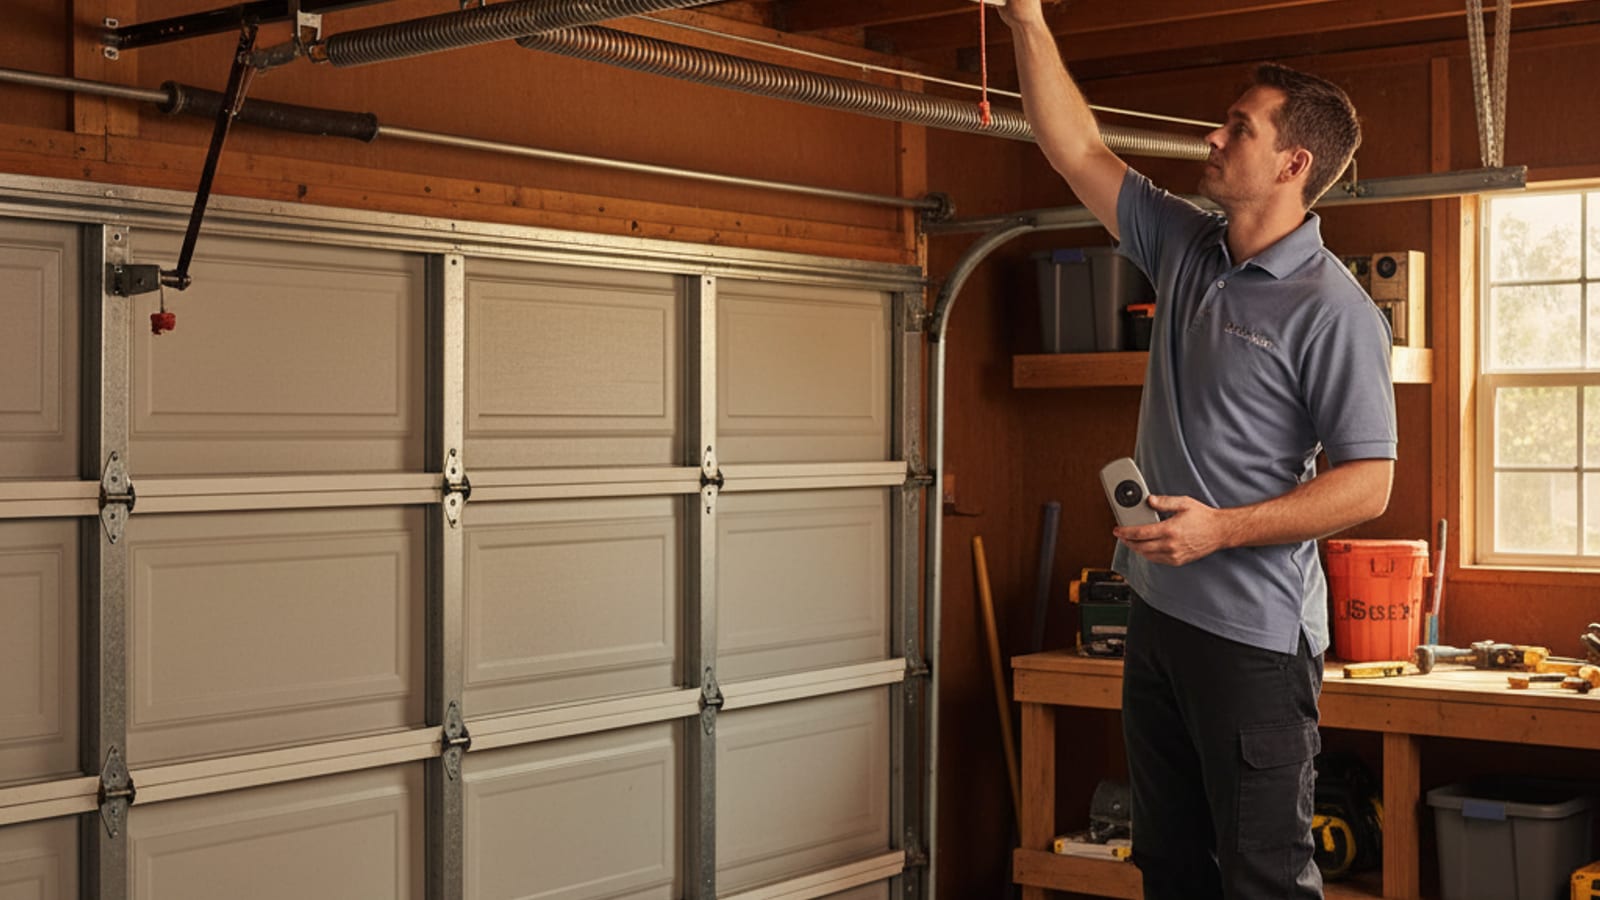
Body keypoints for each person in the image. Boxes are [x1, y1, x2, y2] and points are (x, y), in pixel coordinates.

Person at [996, 2, 1398, 898]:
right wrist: (1024, 14)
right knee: (1170, 867)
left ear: (1292, 164)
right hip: (1159, 620)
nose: (1213, 137)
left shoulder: (1334, 311)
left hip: (1254, 642)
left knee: (1263, 877)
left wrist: (1220, 530)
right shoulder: (1186, 247)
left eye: (1238, 127)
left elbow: (1369, 484)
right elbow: (1075, 150)